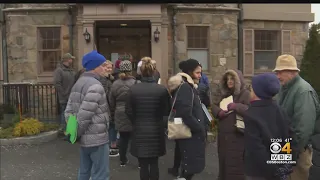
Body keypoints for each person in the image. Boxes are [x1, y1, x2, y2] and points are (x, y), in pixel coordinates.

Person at [64, 50, 110, 180]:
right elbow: (84, 116)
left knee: (84, 171)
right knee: (101, 174)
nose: (104, 68)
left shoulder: (78, 83)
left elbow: (69, 111)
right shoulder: (95, 86)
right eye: (102, 65)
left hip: (84, 138)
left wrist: (73, 132)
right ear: (95, 66)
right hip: (97, 139)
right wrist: (76, 133)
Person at [273, 54, 319, 180]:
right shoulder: (284, 89)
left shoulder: (303, 91)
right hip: (286, 147)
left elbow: (303, 129)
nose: (277, 76)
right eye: (277, 72)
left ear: (292, 72)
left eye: (281, 72)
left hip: (299, 152)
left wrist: (291, 154)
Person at [125, 57, 170, 180]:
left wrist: (136, 121)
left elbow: (128, 110)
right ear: (154, 71)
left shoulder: (133, 89)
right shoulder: (161, 90)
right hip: (156, 130)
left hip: (139, 129)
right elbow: (167, 110)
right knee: (154, 163)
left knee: (143, 165)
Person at [244, 73, 293, 180]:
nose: (250, 90)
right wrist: (285, 164)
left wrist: (273, 169)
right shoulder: (280, 110)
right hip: (280, 168)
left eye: (251, 88)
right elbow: (289, 138)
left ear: (258, 92)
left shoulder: (251, 114)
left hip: (258, 172)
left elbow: (256, 148)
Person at [167, 58, 206, 180]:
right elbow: (185, 113)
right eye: (197, 72)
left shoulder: (188, 86)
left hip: (190, 132)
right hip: (191, 132)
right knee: (189, 166)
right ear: (189, 72)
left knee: (187, 163)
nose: (200, 76)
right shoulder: (186, 87)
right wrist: (198, 127)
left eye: (200, 73)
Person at [211, 69, 250, 180]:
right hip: (223, 137)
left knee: (235, 166)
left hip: (237, 136)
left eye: (232, 78)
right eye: (227, 79)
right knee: (223, 163)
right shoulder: (224, 93)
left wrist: (236, 106)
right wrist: (218, 112)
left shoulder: (245, 93)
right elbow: (213, 105)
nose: (229, 81)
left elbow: (250, 111)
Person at [109, 60, 138, 167]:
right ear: (130, 70)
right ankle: (139, 161)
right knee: (135, 137)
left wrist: (113, 113)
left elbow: (111, 101)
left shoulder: (115, 83)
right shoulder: (135, 83)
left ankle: (122, 159)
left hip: (119, 112)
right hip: (133, 112)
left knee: (123, 137)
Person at [53, 53, 76, 131]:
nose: (72, 60)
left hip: (72, 96)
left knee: (71, 113)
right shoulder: (59, 70)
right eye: (71, 59)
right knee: (64, 113)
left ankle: (70, 130)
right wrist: (64, 93)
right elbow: (57, 83)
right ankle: (64, 130)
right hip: (64, 97)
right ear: (67, 60)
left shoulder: (71, 70)